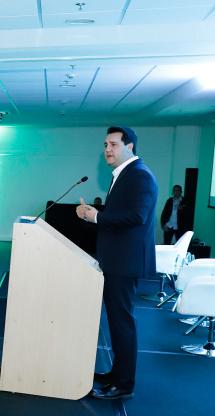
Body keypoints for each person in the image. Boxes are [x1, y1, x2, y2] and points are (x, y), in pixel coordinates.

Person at [77, 126, 157, 400]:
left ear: (129, 146)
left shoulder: (139, 176)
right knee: (117, 321)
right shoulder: (125, 175)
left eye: (113, 144)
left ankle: (123, 383)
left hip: (125, 262)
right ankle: (116, 373)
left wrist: (98, 217)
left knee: (122, 323)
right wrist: (93, 216)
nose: (107, 149)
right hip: (117, 259)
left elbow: (137, 216)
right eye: (105, 144)